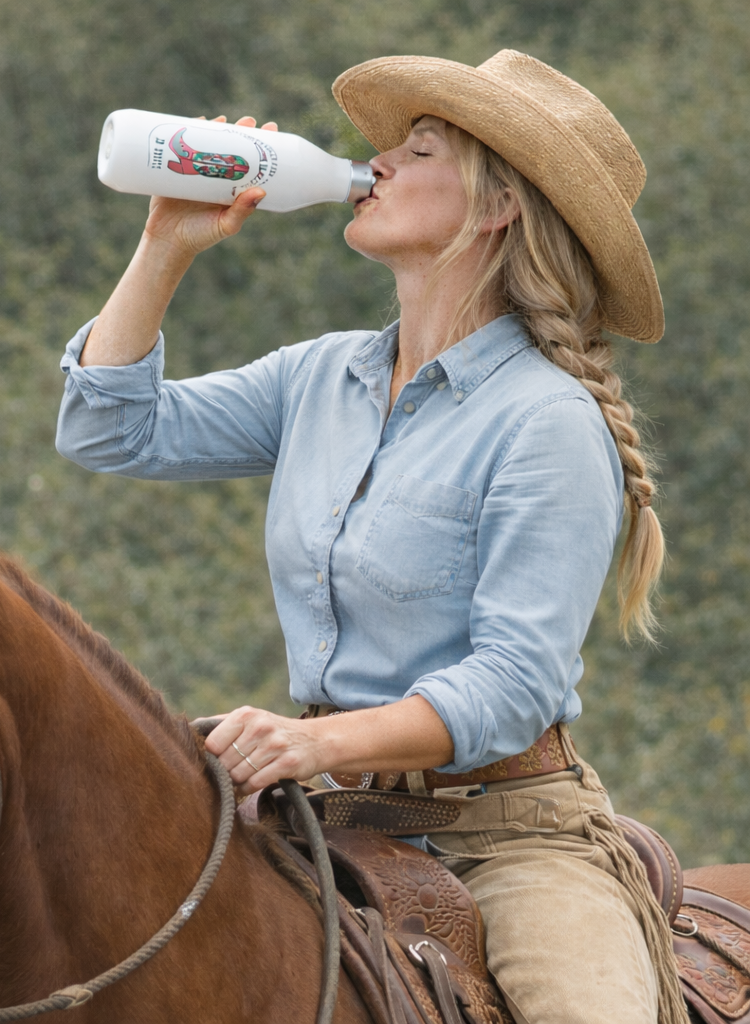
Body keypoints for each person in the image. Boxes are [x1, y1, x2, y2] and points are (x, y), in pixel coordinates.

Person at [55, 50, 687, 1024]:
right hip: (323, 812)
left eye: (419, 148)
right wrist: (167, 243)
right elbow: (108, 428)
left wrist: (310, 743)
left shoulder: (546, 423)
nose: (377, 161)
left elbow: (513, 684)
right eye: (384, 145)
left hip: (506, 838)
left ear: (495, 207)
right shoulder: (319, 378)